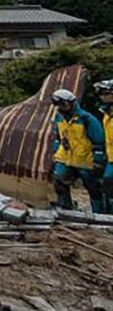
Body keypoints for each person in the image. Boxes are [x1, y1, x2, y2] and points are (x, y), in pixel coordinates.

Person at [50, 89, 106, 212]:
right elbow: (58, 138)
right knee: (59, 181)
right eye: (58, 105)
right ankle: (65, 209)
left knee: (93, 189)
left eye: (63, 104)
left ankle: (99, 214)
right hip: (65, 157)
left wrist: (98, 161)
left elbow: (99, 141)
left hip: (85, 160)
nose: (61, 107)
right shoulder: (59, 118)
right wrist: (54, 154)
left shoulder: (87, 119)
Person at [95, 80, 113, 214]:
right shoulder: (107, 113)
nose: (104, 97)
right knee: (107, 183)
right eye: (102, 94)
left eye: (107, 94)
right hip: (111, 156)